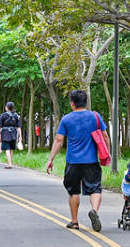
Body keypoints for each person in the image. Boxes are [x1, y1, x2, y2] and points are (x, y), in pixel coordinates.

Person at [46, 90, 108, 231]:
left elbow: (59, 140)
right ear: (85, 102)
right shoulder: (95, 116)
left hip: (73, 161)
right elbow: (105, 136)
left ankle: (74, 221)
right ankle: (94, 211)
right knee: (95, 188)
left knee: (74, 191)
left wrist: (51, 159)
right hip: (91, 161)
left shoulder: (66, 119)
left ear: (72, 103)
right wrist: (106, 153)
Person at [0, 102, 21, 169]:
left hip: (5, 133)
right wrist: (20, 136)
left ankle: (9, 164)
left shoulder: (3, 115)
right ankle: (9, 163)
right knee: (11, 149)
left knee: (7, 149)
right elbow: (19, 127)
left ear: (7, 107)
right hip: (13, 133)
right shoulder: (16, 115)